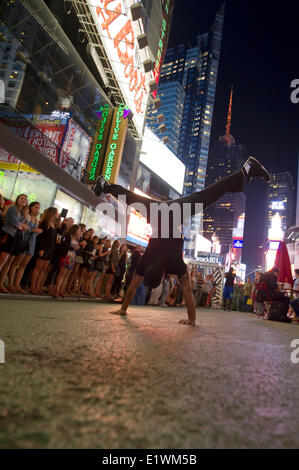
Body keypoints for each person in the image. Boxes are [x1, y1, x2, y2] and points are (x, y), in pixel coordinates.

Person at [93, 157, 271, 326]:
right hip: (159, 212)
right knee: (131, 198)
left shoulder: (174, 264)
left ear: (163, 274)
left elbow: (186, 290)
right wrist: (123, 309)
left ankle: (246, 170)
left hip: (174, 212)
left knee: (208, 195)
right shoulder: (145, 262)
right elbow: (132, 287)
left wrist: (191, 320)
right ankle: (105, 185)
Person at [7, 201, 42, 293]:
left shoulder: (36, 220)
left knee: (23, 265)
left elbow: (33, 232)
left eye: (38, 208)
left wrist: (37, 231)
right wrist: (32, 230)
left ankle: (17, 285)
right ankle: (10, 284)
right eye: (36, 207)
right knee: (16, 264)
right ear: (31, 207)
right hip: (24, 241)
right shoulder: (27, 216)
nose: (37, 209)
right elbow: (23, 228)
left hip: (31, 243)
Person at [0, 194, 29, 292]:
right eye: (21, 198)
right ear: (17, 199)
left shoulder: (22, 212)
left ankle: (1, 284)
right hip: (10, 235)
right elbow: (14, 223)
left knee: (9, 262)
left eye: (25, 199)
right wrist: (21, 225)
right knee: (3, 260)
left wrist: (21, 225)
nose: (23, 200)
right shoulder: (13, 208)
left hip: (17, 238)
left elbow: (26, 227)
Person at [30, 207, 58, 294]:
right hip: (44, 247)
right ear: (53, 213)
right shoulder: (45, 223)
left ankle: (38, 287)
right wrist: (41, 248)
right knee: (38, 268)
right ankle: (32, 287)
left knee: (43, 269)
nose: (58, 214)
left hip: (50, 248)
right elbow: (41, 237)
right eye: (57, 212)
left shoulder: (54, 223)